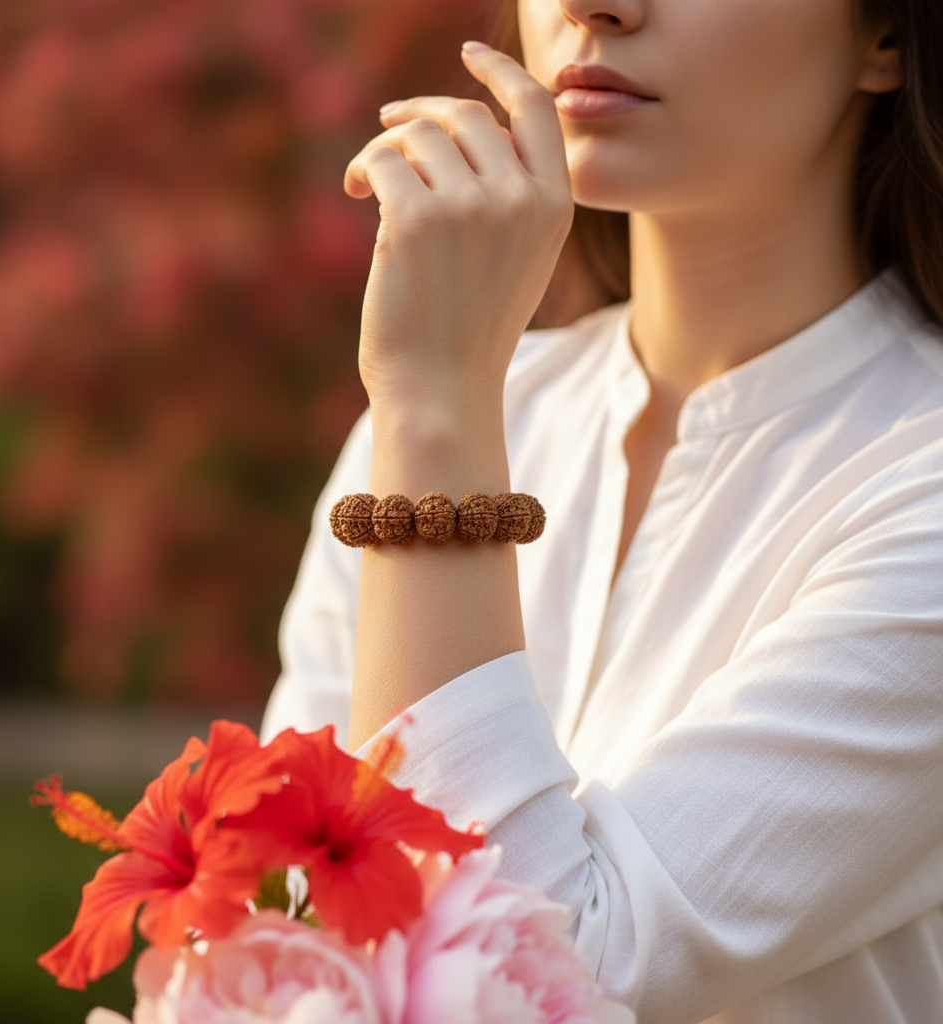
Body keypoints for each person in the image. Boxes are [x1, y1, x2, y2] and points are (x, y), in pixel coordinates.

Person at [262, 0, 943, 1020]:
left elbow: (519, 978)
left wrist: (440, 407)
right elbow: (288, 909)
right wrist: (432, 408)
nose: (593, 6)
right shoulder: (431, 422)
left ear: (884, 36)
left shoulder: (915, 483)